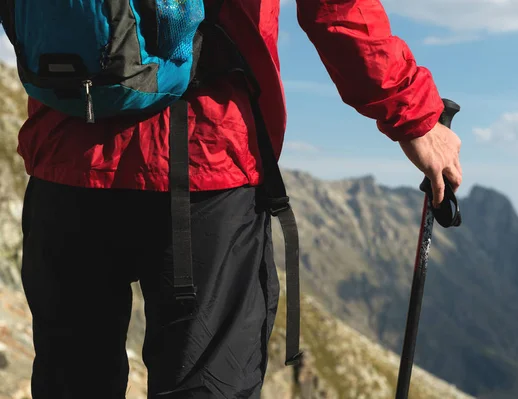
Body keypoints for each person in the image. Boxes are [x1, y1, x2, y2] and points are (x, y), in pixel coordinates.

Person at [14, 0, 462, 398]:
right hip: (203, 157)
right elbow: (338, 9)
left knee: (70, 383)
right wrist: (414, 113)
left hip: (66, 153)